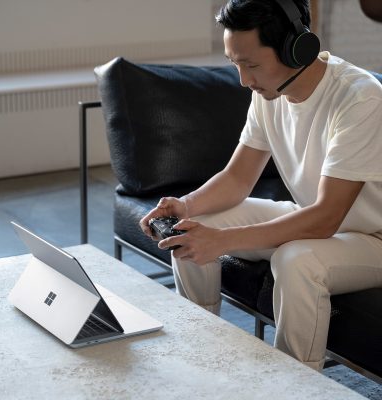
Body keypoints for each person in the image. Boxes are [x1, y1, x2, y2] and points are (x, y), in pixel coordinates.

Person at [140, 0, 382, 372]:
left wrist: (220, 242)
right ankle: (201, 354)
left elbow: (326, 219)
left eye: (251, 64)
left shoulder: (360, 99)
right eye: (235, 63)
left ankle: (295, 383)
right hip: (317, 220)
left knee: (297, 260)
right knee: (193, 225)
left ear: (296, 47)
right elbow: (238, 178)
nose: (243, 80)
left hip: (373, 239)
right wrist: (185, 206)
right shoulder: (268, 93)